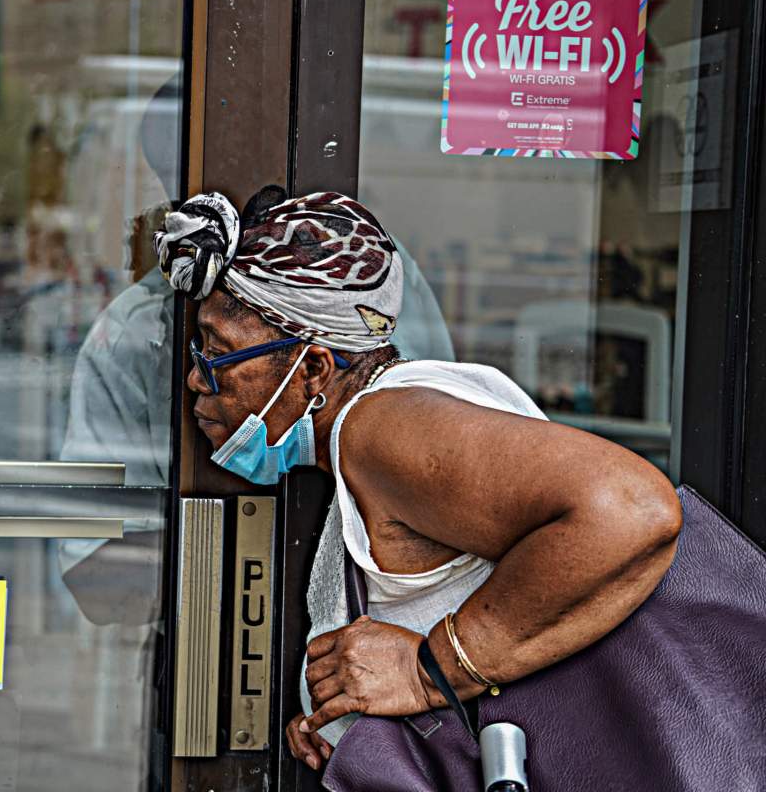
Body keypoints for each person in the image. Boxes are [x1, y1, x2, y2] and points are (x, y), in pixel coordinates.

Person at [154, 188, 682, 772]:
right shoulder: (381, 423)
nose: (199, 381)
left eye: (217, 353)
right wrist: (342, 709)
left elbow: (631, 509)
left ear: (312, 368)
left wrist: (432, 670)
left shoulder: (380, 428)